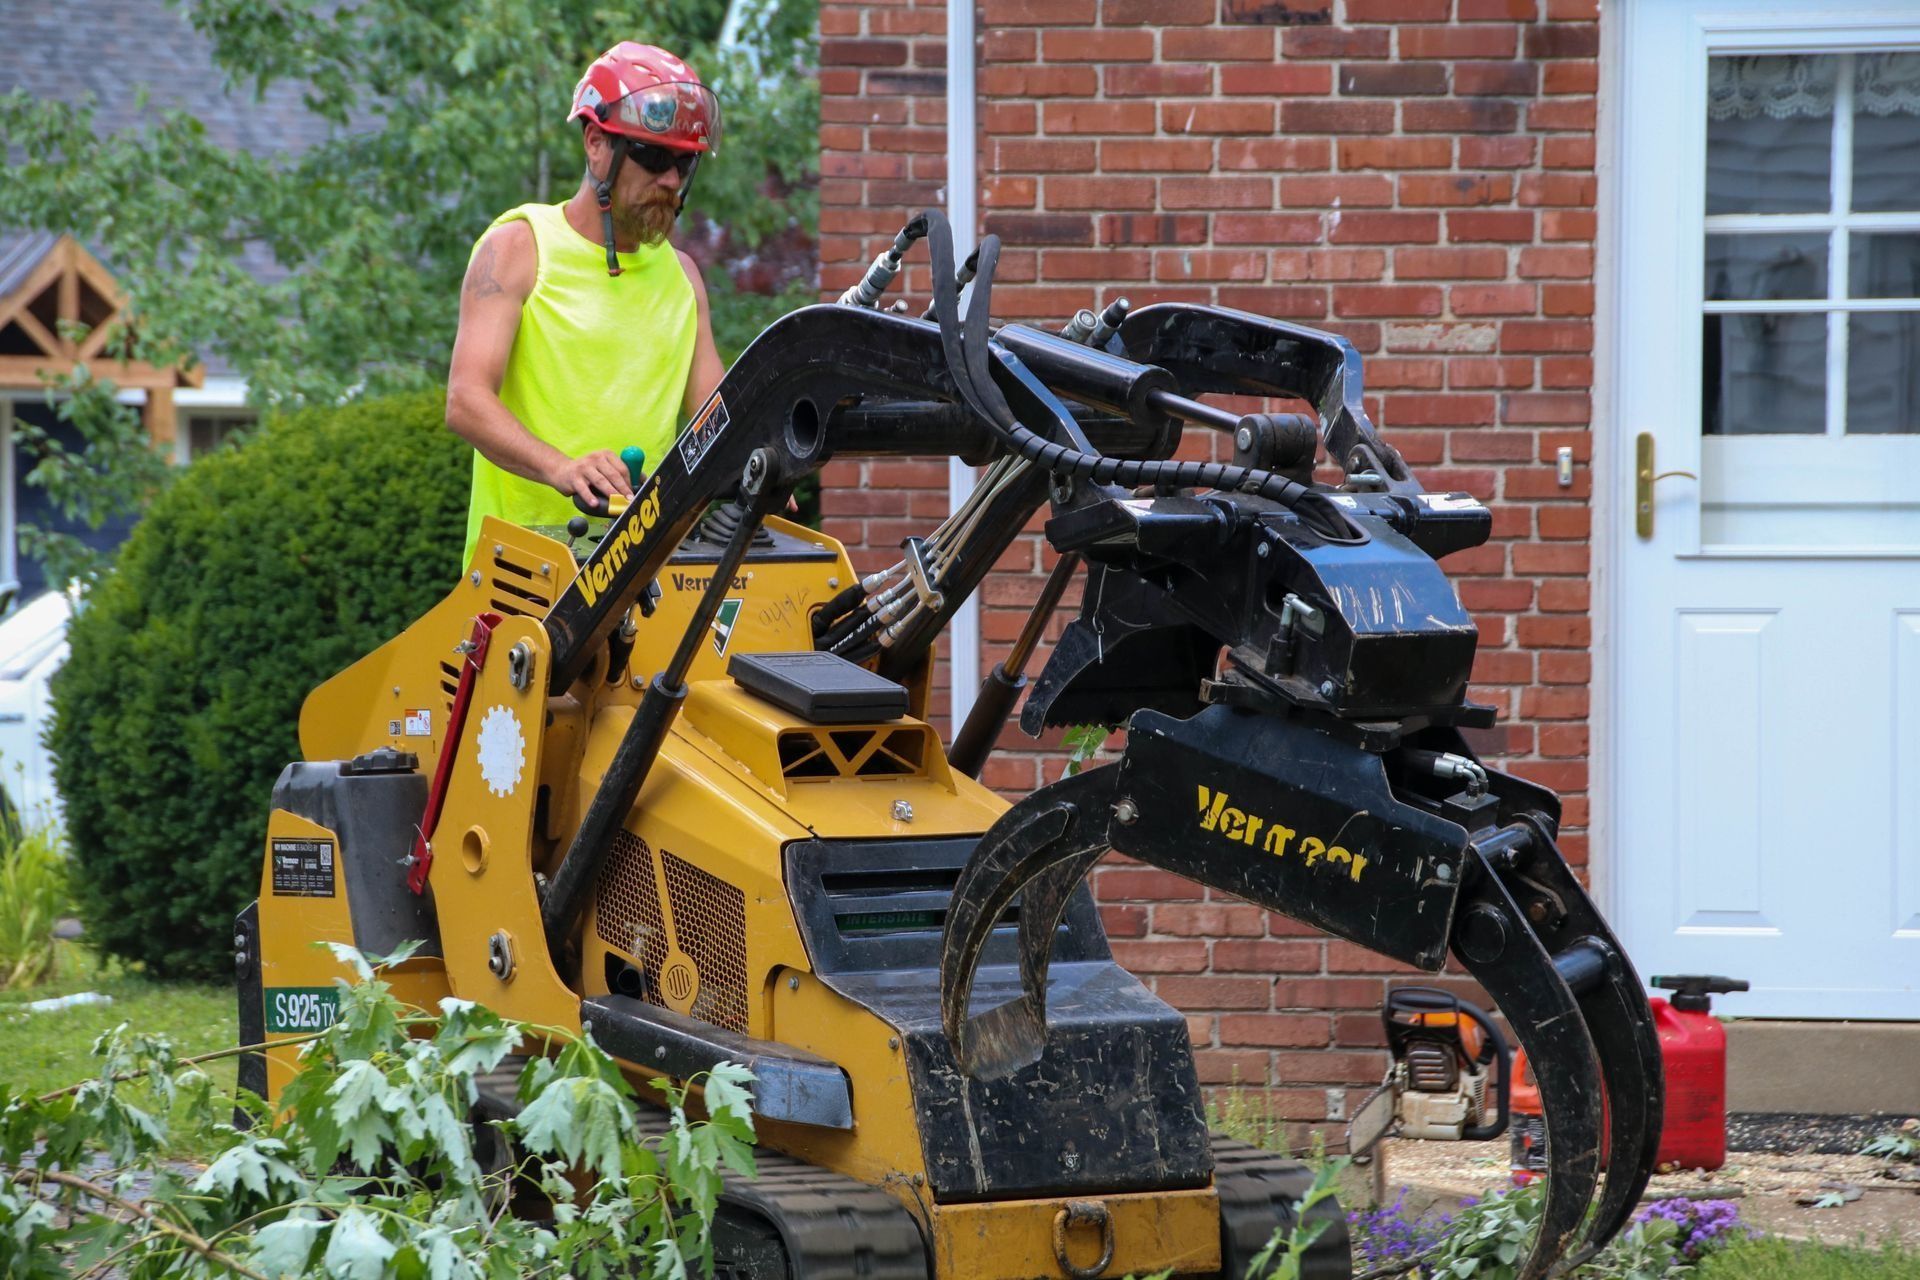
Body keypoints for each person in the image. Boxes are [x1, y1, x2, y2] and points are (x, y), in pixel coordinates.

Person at [447, 42, 727, 564]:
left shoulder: (684, 279)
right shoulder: (517, 247)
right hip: (519, 577)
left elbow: (718, 420)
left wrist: (762, 458)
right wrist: (561, 468)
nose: (670, 179)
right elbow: (465, 400)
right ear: (596, 144)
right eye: (651, 155)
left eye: (683, 163)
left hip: (641, 573)